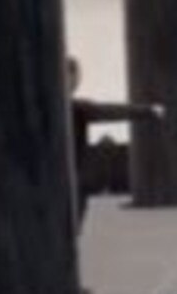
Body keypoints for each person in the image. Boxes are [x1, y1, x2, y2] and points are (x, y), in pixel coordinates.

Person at [67, 57, 164, 228]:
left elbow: (111, 111)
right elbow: (111, 111)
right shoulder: (77, 109)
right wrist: (149, 111)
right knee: (72, 222)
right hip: (72, 174)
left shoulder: (76, 108)